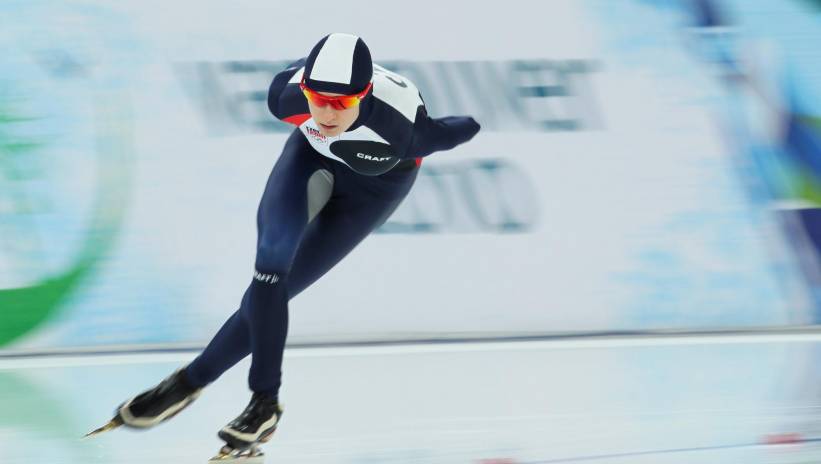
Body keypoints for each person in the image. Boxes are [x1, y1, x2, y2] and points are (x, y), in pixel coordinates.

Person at [94, 32, 480, 455]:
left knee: (280, 288)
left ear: (364, 94)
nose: (327, 113)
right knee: (270, 268)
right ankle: (264, 403)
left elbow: (457, 130)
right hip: (310, 158)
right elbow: (309, 87)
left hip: (376, 190)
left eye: (341, 103)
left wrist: (474, 122)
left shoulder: (402, 128)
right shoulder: (286, 96)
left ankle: (189, 381)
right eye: (318, 98)